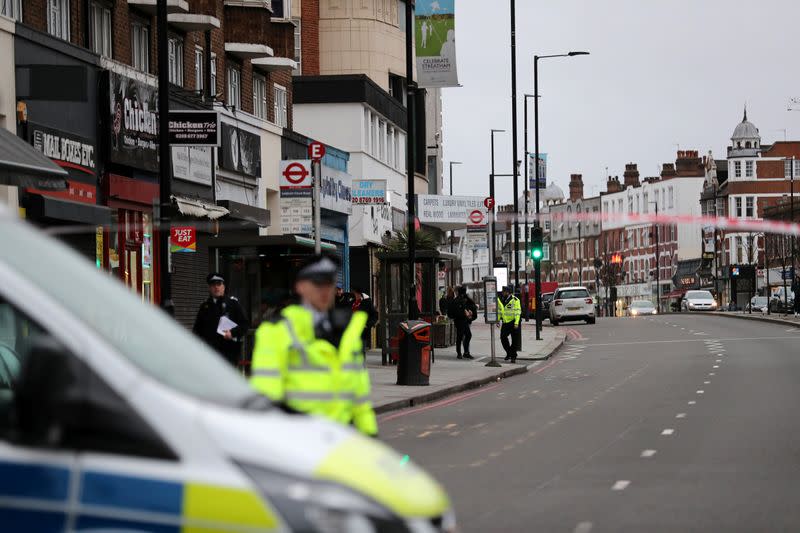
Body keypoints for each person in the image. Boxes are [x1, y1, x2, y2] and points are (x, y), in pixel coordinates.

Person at [250, 256, 378, 437]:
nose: (325, 290)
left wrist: (369, 433)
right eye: (318, 284)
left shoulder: (347, 329)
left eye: (330, 284)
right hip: (301, 439)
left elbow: (360, 394)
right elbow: (267, 392)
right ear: (300, 287)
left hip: (342, 440)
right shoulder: (277, 330)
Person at [192, 272, 250, 367]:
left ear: (224, 287)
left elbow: (245, 325)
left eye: (219, 284)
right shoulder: (204, 307)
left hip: (229, 352)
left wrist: (232, 333)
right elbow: (197, 330)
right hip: (210, 353)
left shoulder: (232, 304)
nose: (216, 287)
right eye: (213, 285)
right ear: (209, 288)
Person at [449, 286, 477, 359]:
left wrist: (468, 312)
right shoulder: (458, 300)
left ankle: (465, 352)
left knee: (467, 335)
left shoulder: (461, 299)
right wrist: (466, 314)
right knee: (460, 336)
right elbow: (456, 312)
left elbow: (465, 308)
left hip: (464, 321)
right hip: (460, 321)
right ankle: (460, 353)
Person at [352, 285, 379, 354]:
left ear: (359, 294)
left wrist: (367, 325)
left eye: (356, 294)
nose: (355, 295)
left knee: (361, 350)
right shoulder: (352, 301)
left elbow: (374, 315)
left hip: (361, 330)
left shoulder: (366, 302)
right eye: (354, 293)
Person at [498, 285, 521, 363]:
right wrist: (498, 320)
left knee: (515, 341)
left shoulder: (515, 300)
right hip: (505, 323)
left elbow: (518, 312)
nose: (502, 293)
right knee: (503, 338)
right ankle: (509, 352)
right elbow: (500, 311)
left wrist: (516, 322)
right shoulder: (501, 299)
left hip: (514, 322)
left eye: (504, 292)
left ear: (507, 292)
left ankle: (513, 357)